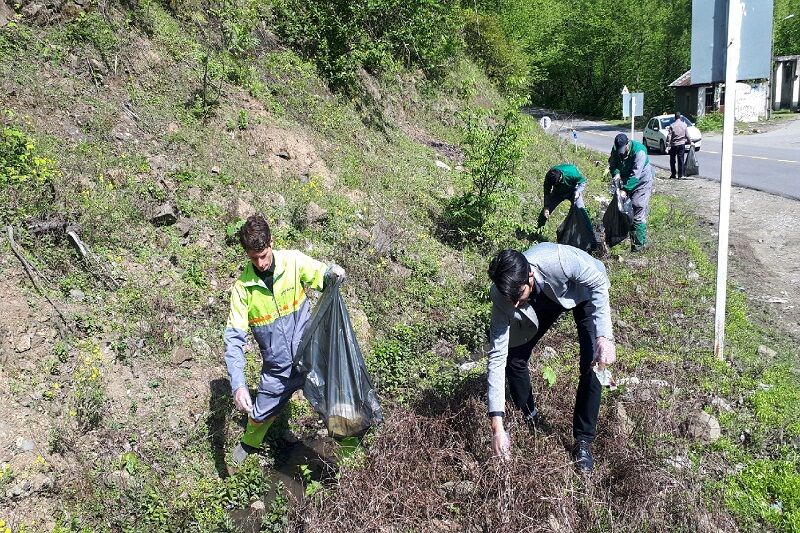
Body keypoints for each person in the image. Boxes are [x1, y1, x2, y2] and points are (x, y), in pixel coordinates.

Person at [224, 213, 346, 465]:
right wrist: (238, 385)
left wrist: (332, 273)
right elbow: (234, 341)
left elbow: (323, 276)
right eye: (253, 258)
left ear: (271, 243)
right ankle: (249, 443)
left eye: (263, 255)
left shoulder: (293, 261)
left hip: (310, 357)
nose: (260, 263)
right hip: (277, 368)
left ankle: (354, 448)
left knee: (334, 403)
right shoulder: (242, 289)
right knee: (258, 414)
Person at [486, 244, 616, 472]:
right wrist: (497, 427)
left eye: (518, 297)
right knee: (513, 358)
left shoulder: (558, 259)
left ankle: (583, 440)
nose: (515, 306)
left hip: (582, 292)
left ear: (530, 275)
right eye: (511, 301)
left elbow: (596, 282)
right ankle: (530, 417)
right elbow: (497, 355)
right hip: (542, 300)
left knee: (593, 362)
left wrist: (604, 337)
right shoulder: (502, 295)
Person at [608, 133, 654, 252]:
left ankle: (639, 246)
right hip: (626, 180)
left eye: (623, 150)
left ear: (627, 144)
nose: (621, 152)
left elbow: (635, 175)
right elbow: (612, 164)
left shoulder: (639, 152)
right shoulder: (615, 149)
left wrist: (625, 190)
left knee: (637, 207)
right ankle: (626, 235)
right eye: (619, 150)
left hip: (642, 182)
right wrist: (616, 173)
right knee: (625, 209)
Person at [537, 164, 599, 251]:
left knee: (582, 212)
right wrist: (546, 207)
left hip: (573, 191)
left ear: (560, 177)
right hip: (558, 193)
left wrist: (578, 191)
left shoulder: (572, 173)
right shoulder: (550, 176)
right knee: (544, 213)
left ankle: (592, 240)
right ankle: (537, 231)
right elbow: (547, 191)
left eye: (557, 182)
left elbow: (583, 182)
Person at [666, 112, 688, 179]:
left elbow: (669, 137)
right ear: (680, 117)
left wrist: (667, 146)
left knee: (672, 160)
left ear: (675, 117)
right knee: (681, 159)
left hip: (674, 145)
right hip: (682, 144)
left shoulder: (672, 125)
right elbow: (687, 134)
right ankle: (680, 175)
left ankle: (673, 174)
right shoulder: (684, 125)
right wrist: (691, 142)